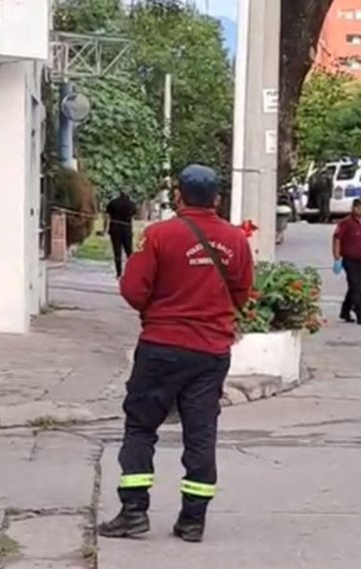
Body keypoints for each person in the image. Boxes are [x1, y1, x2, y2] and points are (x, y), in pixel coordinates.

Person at [98, 164, 254, 544]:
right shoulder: (236, 241)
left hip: (161, 348)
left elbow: (133, 289)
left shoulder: (158, 236)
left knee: (140, 427)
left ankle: (134, 512)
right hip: (211, 352)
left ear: (179, 196)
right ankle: (192, 521)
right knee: (201, 434)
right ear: (217, 199)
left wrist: (158, 309)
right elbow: (243, 292)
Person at [104, 190, 139, 278]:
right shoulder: (131, 205)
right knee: (129, 252)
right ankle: (132, 272)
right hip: (126, 228)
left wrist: (105, 229)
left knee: (117, 252)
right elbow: (134, 216)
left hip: (115, 227)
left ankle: (119, 273)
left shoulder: (113, 203)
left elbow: (107, 216)